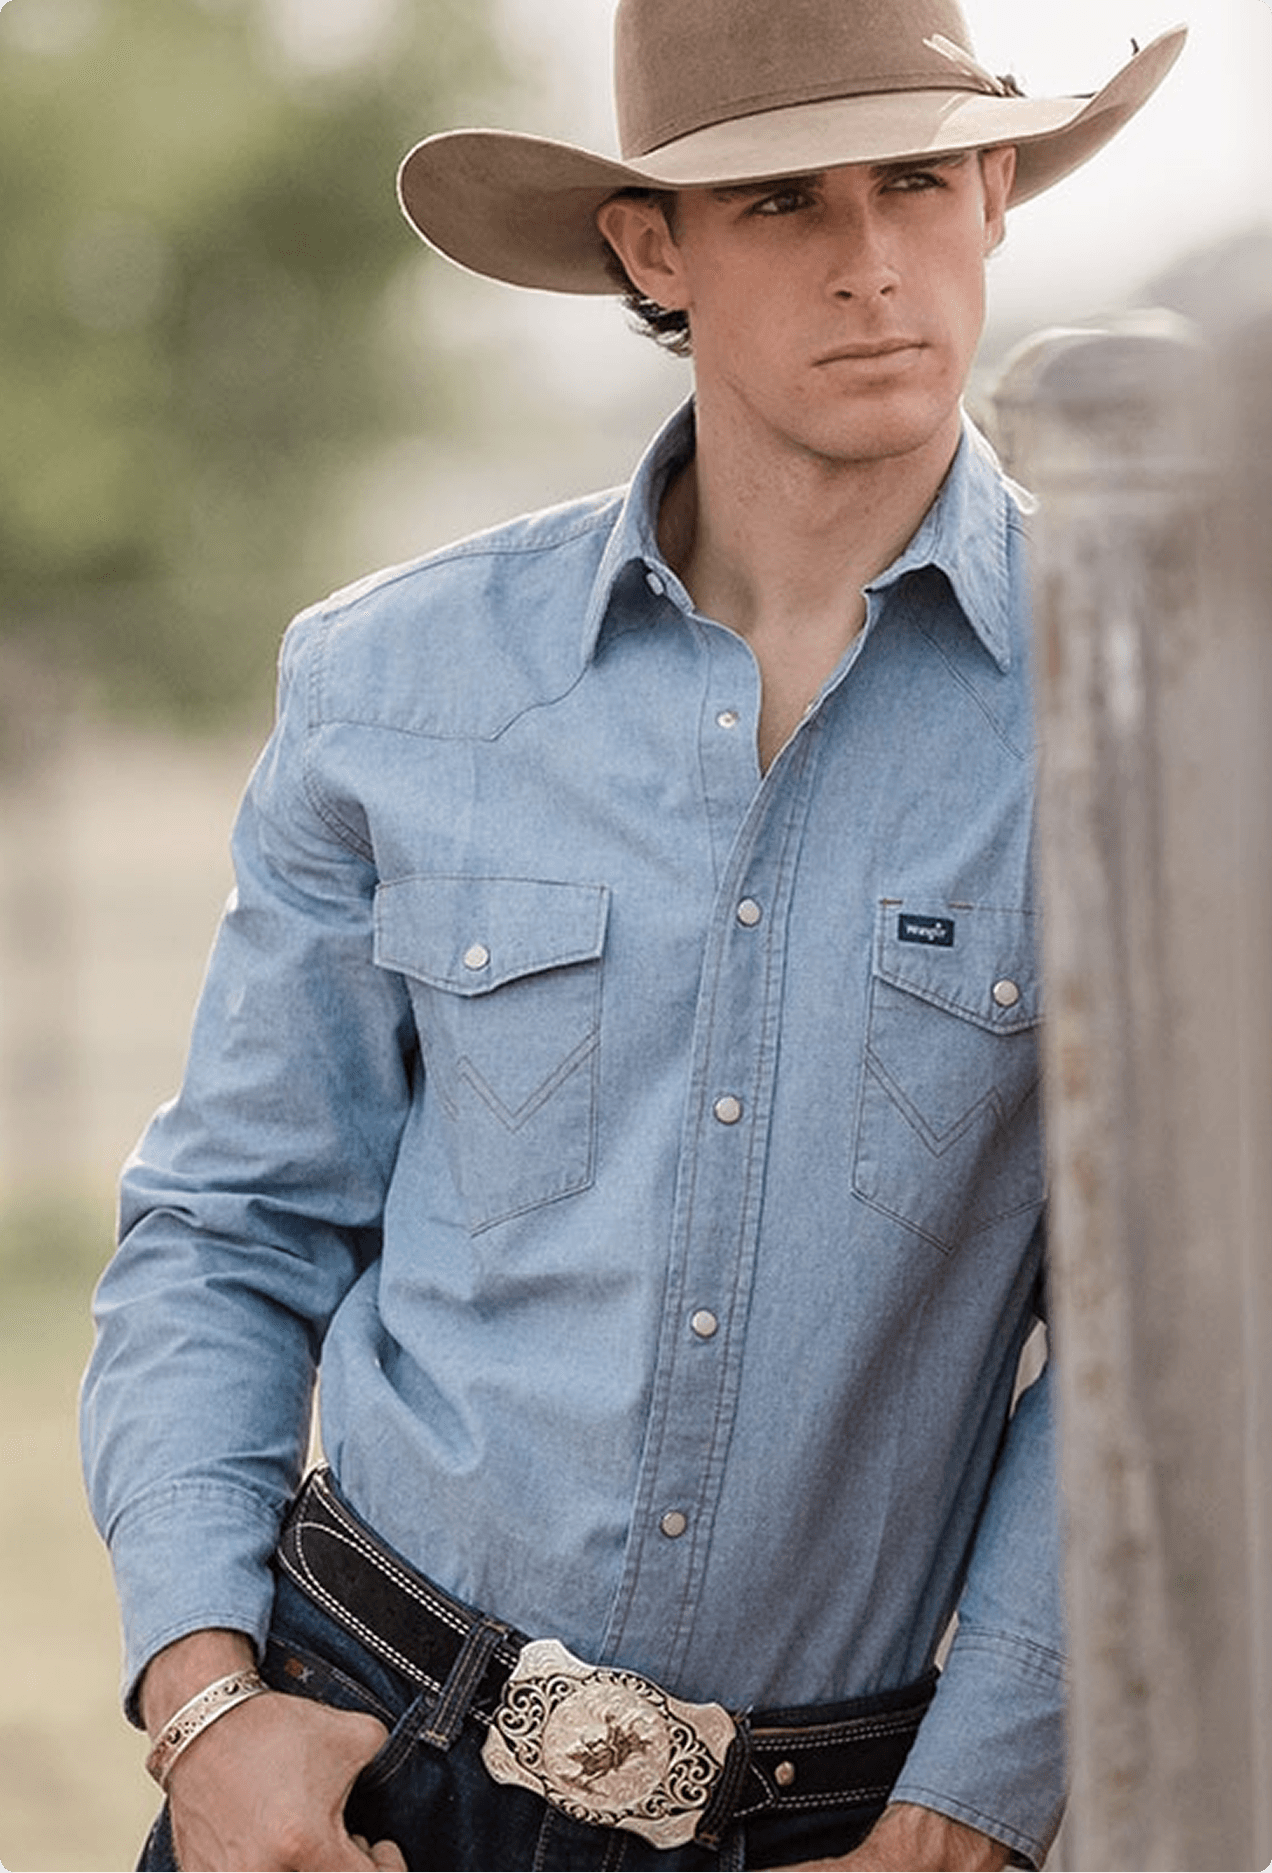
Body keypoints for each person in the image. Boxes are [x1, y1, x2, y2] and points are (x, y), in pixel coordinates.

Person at [81, 3, 1185, 1870]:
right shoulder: (398, 684)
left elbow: (1153, 1342)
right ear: (649, 247)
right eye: (782, 202)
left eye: (917, 182)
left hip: (832, 1825)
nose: (872, 262)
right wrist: (204, 1710)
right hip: (356, 1768)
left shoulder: (1140, 726)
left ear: (997, 189)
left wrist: (966, 1815)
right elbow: (231, 1225)